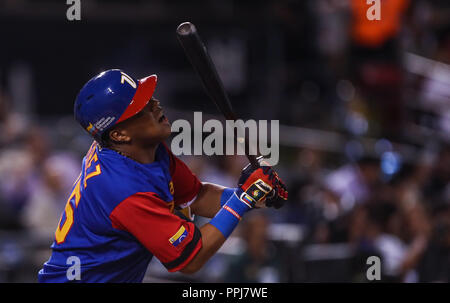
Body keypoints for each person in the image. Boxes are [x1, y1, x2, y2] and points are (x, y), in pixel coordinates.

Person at [38, 69, 288, 282]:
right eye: (141, 107)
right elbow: (191, 259)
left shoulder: (143, 150)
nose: (154, 104)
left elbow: (197, 197)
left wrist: (257, 196)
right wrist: (244, 198)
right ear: (119, 135)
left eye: (148, 97)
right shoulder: (122, 189)